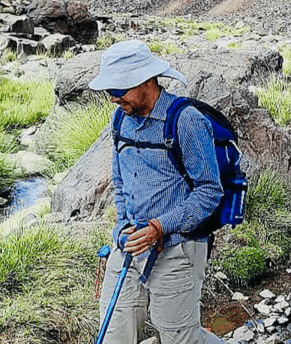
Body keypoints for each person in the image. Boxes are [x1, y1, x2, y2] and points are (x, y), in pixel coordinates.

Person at [89, 40, 224, 344]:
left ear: (146, 80)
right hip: (129, 244)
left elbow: (209, 192)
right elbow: (121, 180)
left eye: (118, 89)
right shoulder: (120, 119)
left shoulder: (186, 121)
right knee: (113, 334)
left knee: (181, 338)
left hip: (178, 249)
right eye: (109, 91)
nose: (112, 98)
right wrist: (123, 224)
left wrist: (160, 227)